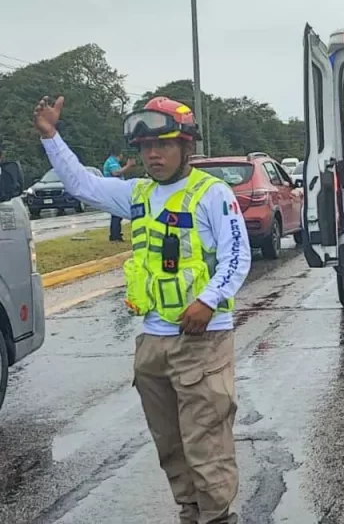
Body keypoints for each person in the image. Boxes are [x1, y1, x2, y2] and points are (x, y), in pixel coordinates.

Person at [32, 95, 251, 524]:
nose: (153, 154)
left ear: (186, 146)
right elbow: (82, 185)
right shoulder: (138, 194)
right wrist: (51, 137)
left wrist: (207, 301)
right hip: (153, 343)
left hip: (202, 341)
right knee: (171, 446)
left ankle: (217, 517)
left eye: (164, 145)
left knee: (206, 445)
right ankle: (191, 513)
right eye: (146, 147)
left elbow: (237, 256)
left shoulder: (212, 194)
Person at [102, 147, 136, 241]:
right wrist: (128, 165)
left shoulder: (112, 162)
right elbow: (116, 173)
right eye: (121, 155)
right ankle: (115, 235)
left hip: (115, 189)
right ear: (118, 154)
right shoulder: (112, 162)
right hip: (114, 190)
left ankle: (116, 234)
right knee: (117, 213)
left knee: (117, 213)